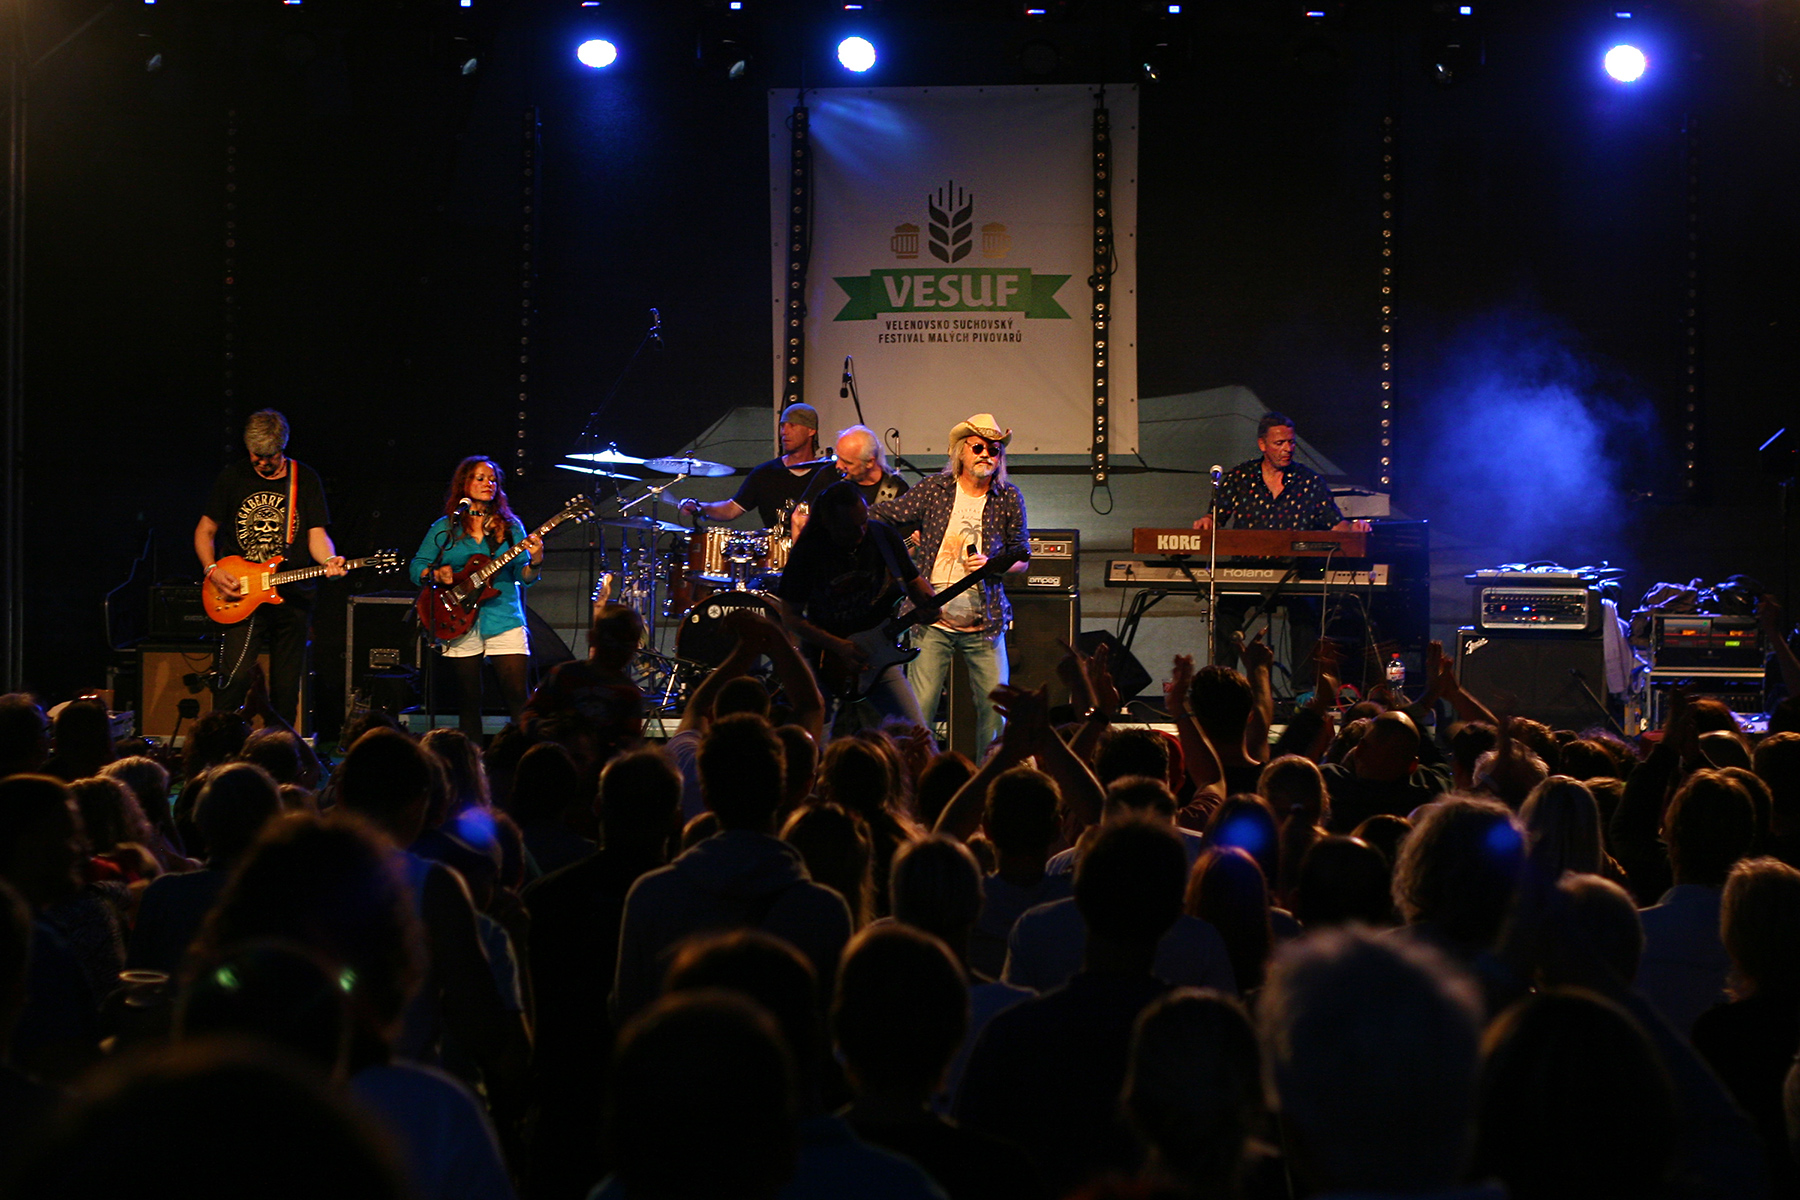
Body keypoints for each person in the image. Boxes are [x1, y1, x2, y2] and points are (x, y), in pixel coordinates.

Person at [871, 413, 1030, 754]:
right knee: (919, 712)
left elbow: (1022, 558)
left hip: (985, 623)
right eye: (978, 447)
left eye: (994, 449)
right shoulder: (935, 489)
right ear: (961, 451)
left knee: (995, 714)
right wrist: (900, 557)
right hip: (931, 621)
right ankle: (917, 775)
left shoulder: (1008, 497)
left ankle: (989, 779)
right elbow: (882, 516)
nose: (987, 454)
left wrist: (993, 565)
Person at [195, 409, 347, 720]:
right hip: (242, 592)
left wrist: (330, 560)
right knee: (235, 678)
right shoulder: (233, 477)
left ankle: (278, 746)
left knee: (286, 691)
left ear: (283, 447)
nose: (263, 463)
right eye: (257, 456)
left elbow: (316, 535)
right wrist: (212, 570)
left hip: (292, 596)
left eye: (270, 457)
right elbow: (205, 531)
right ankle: (222, 740)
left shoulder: (304, 479)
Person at [1191, 411, 1365, 676]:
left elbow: (1336, 525)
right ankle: (1224, 681)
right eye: (1279, 443)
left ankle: (1303, 690)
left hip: (1295, 570)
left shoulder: (1309, 481)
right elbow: (1216, 517)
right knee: (1226, 612)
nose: (1287, 449)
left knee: (1306, 610)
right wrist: (1207, 520)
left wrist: (1355, 529)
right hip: (1247, 570)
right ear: (1262, 444)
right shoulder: (1240, 477)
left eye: (1291, 442)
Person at [777, 480, 941, 731]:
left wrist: (929, 603)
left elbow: (913, 581)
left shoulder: (883, 536)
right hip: (823, 659)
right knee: (813, 742)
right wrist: (838, 646)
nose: (861, 532)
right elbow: (790, 617)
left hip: (877, 651)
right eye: (850, 527)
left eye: (864, 522)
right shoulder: (809, 552)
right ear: (829, 523)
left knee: (918, 735)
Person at [409, 457, 545, 740]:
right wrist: (436, 574)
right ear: (464, 483)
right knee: (468, 700)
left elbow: (524, 576)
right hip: (457, 619)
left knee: (518, 696)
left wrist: (535, 561)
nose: (488, 484)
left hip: (504, 616)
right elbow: (416, 567)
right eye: (480, 478)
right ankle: (472, 760)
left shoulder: (510, 527)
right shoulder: (446, 527)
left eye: (493, 479)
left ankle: (525, 755)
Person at [679, 402, 831, 528]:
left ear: (811, 430)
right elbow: (731, 509)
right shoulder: (765, 473)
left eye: (792, 425)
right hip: (776, 552)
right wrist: (699, 507)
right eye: (782, 426)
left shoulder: (828, 474)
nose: (784, 432)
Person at [833, 424, 910, 508]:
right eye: (838, 457)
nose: (838, 465)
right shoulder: (828, 477)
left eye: (847, 462)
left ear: (869, 462)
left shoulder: (898, 491)